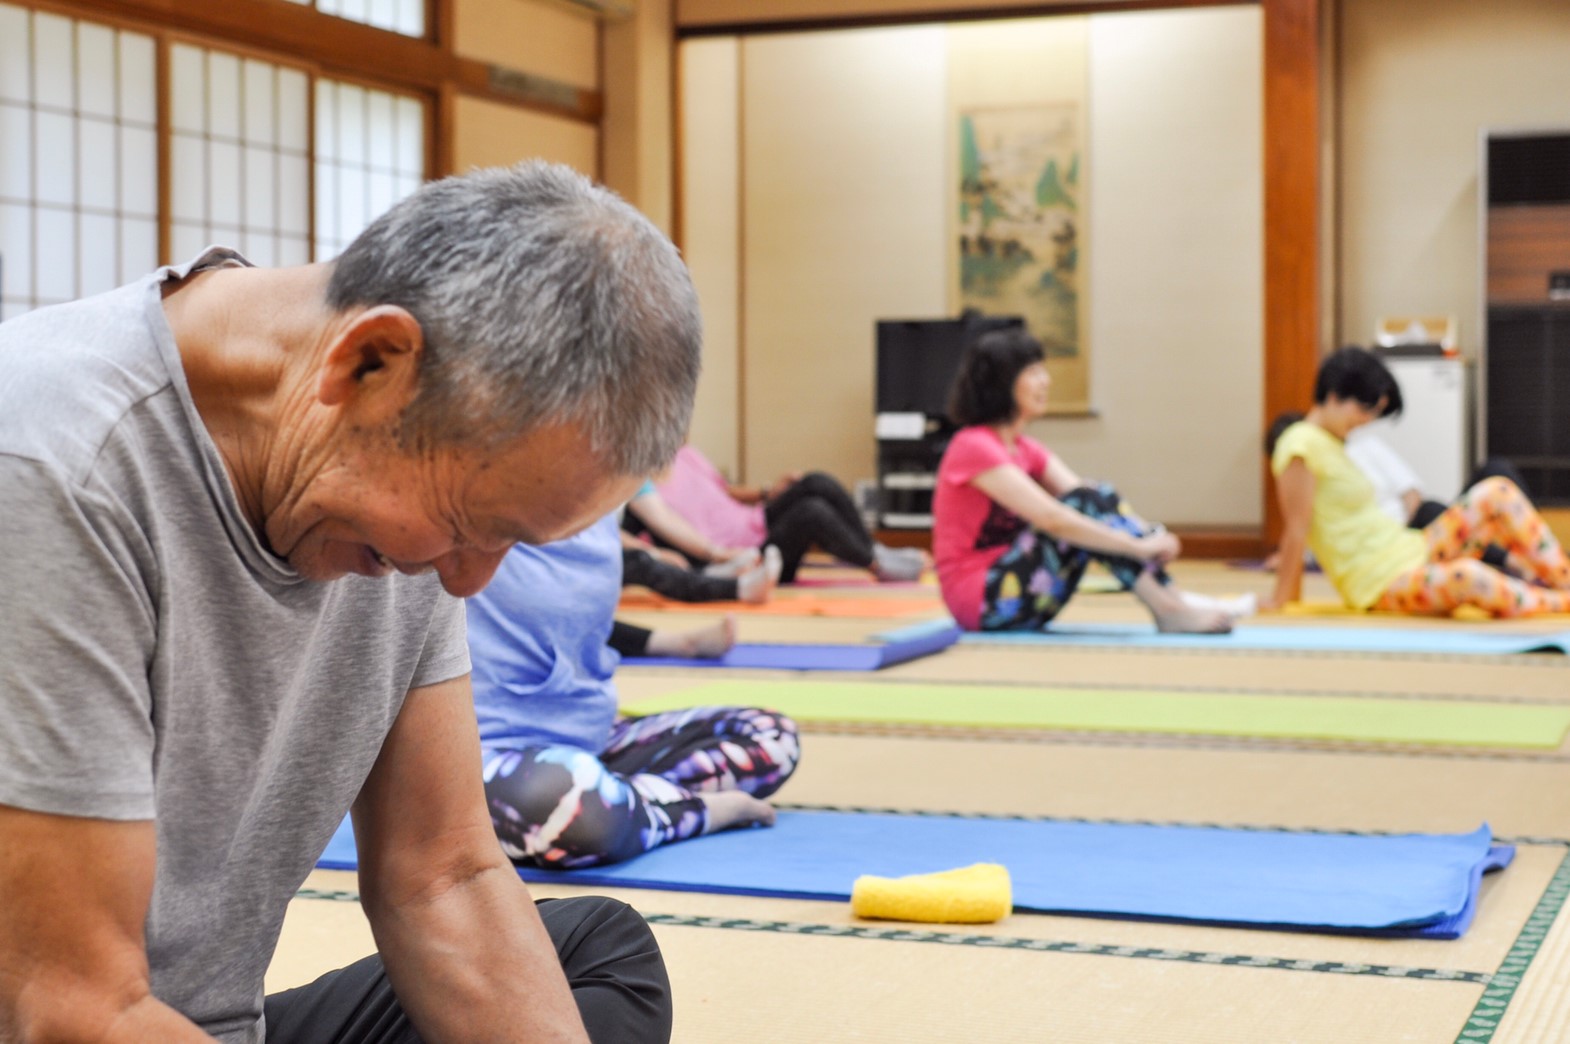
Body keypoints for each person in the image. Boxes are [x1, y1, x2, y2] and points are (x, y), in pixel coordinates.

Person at [0, 162, 700, 1043]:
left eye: (510, 542)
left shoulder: (394, 476)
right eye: (471, 525)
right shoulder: (50, 461)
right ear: (370, 361)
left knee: (600, 952)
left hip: (185, 1021)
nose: (468, 580)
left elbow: (442, 875)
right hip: (71, 1017)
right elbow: (66, 1009)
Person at [466, 513, 799, 869]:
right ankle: (674, 809)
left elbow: (577, 625)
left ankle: (620, 803)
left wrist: (670, 641)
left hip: (590, 743)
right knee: (563, 796)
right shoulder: (468, 512)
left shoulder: (602, 513)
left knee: (771, 737)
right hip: (477, 756)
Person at [933, 328, 1231, 634]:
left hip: (1025, 589)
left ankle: (1173, 601)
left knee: (1094, 492)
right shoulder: (973, 446)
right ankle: (1168, 608)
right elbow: (1054, 520)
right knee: (1080, 504)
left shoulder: (1024, 448)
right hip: (983, 600)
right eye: (1033, 372)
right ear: (1002, 384)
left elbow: (1094, 499)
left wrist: (1151, 535)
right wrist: (1137, 546)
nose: (1045, 381)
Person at [1265, 346, 1570, 616]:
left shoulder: (1334, 444)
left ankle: (1565, 579)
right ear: (1333, 395)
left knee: (1497, 491)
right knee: (1469, 577)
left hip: (1413, 548)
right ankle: (1560, 601)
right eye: (1363, 410)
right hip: (1378, 583)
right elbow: (1297, 528)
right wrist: (1283, 599)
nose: (1365, 421)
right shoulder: (1299, 444)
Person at [646, 444, 926, 584]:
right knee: (810, 513)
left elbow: (726, 491)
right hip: (748, 556)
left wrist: (769, 493)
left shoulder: (684, 454)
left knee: (817, 482)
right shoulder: (639, 485)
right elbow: (652, 535)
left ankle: (870, 547)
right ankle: (875, 563)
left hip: (755, 521)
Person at [620, 481, 782, 603]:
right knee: (641, 562)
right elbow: (602, 532)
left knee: (658, 521)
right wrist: (654, 553)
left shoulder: (630, 467)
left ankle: (707, 572)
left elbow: (662, 516)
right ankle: (741, 588)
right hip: (604, 554)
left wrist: (716, 553)